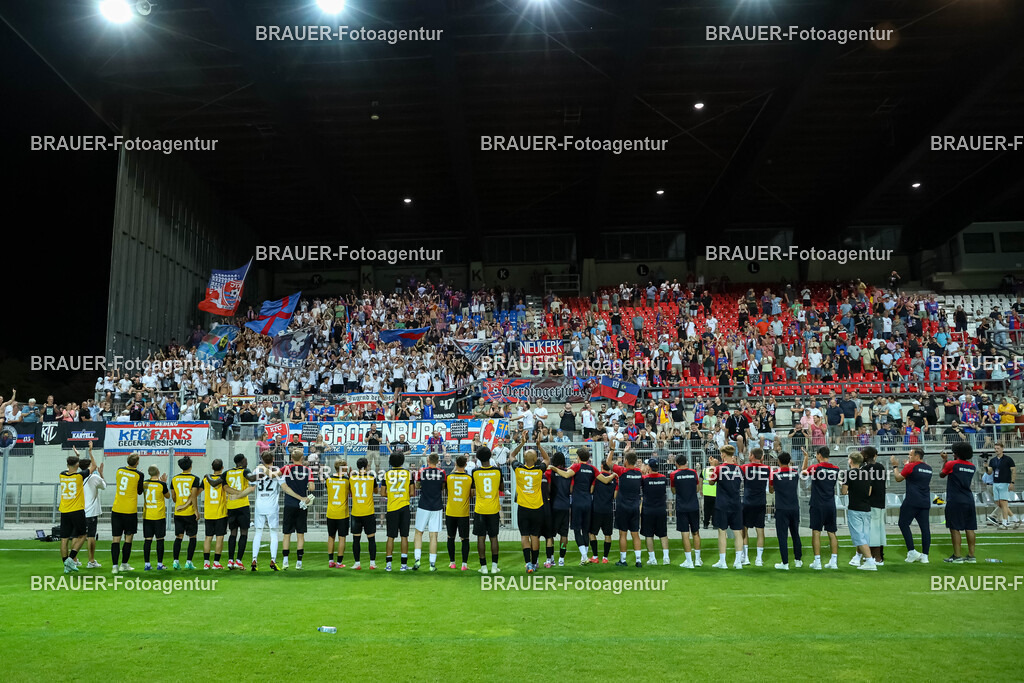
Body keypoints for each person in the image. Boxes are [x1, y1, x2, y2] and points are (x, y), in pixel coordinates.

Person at [549, 445, 602, 566]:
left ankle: (583, 556)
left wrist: (553, 468)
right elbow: (602, 480)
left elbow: (568, 477)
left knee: (575, 530)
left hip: (575, 502)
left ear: (578, 457)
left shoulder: (575, 467)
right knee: (585, 530)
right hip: (588, 501)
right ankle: (581, 557)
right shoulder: (592, 468)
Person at [508, 437, 549, 573]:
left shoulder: (518, 469)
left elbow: (512, 455)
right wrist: (539, 445)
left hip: (523, 508)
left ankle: (528, 564)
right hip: (537, 508)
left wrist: (522, 443)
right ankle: (534, 562)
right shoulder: (539, 471)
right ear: (535, 458)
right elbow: (547, 460)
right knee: (535, 536)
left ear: (525, 459)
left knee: (524, 536)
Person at [202, 459, 247, 570]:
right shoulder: (223, 479)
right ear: (222, 467)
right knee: (220, 537)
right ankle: (216, 562)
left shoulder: (205, 479)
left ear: (212, 467)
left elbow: (197, 491)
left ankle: (206, 563)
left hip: (208, 512)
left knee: (208, 537)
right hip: (220, 511)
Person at [891, 447, 932, 563]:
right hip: (925, 501)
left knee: (903, 524)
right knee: (925, 529)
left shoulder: (910, 466)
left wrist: (895, 466)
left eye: (910, 455)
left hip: (912, 500)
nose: (909, 457)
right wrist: (907, 466)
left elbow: (898, 478)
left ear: (917, 456)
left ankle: (912, 551)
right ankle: (925, 556)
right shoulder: (929, 468)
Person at [801, 446, 840, 570]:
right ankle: (833, 561)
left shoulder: (816, 467)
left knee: (816, 532)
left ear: (819, 455)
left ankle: (817, 561)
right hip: (830, 503)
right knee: (832, 532)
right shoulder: (836, 469)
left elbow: (803, 473)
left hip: (818, 503)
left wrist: (806, 458)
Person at [940, 442, 978, 563]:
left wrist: (944, 460)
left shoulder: (951, 464)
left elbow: (942, 474)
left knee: (954, 528)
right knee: (970, 527)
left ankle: (957, 556)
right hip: (969, 499)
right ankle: (971, 556)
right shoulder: (972, 466)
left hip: (955, 499)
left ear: (956, 453)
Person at [606, 449, 644, 567]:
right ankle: (638, 560)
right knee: (635, 534)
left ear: (626, 461)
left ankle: (623, 560)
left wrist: (612, 450)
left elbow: (608, 462)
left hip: (622, 507)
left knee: (623, 534)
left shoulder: (622, 471)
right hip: (635, 507)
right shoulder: (638, 473)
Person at [708, 445, 745, 569]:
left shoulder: (719, 469)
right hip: (736, 503)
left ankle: (723, 562)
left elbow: (711, 482)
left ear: (723, 454)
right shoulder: (740, 469)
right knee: (738, 532)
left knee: (722, 532)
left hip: (722, 504)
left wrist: (713, 466)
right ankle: (738, 561)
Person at [842, 452, 878, 571]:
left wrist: (844, 486)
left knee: (858, 536)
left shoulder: (848, 474)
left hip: (855, 507)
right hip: (866, 508)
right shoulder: (867, 474)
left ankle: (869, 561)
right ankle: (858, 558)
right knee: (864, 535)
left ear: (851, 461)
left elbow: (843, 491)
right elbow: (869, 492)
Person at [110, 453, 145, 574]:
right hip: (130, 510)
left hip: (117, 509)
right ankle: (124, 564)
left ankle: (114, 566)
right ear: (137, 462)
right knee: (128, 538)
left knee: (116, 539)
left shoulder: (119, 470)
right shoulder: (139, 474)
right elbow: (140, 491)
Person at [472, 446, 503, 574]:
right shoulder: (497, 471)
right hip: (493, 509)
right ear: (490, 456)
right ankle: (494, 567)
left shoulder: (475, 472)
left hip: (480, 509)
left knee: (481, 537)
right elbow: (501, 488)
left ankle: (483, 567)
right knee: (493, 537)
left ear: (478, 458)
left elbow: (473, 491)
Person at [279, 450, 313, 570]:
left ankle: (285, 561)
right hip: (302, 505)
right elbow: (312, 487)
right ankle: (299, 562)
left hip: (289, 504)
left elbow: (275, 475)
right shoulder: (307, 470)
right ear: (302, 458)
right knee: (300, 534)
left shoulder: (286, 468)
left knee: (287, 534)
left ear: (292, 458)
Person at [413, 453, 446, 571]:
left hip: (423, 505)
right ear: (438, 461)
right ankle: (432, 564)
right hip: (436, 506)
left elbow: (417, 486)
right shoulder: (442, 472)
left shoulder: (421, 471)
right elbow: (442, 487)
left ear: (428, 460)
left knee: (418, 533)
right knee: (433, 535)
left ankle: (417, 560)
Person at [381, 452, 413, 572]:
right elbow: (412, 492)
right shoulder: (407, 473)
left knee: (390, 536)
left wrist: (393, 495)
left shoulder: (387, 474)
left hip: (392, 507)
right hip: (404, 506)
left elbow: (383, 493)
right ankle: (403, 565)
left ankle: (388, 565)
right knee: (404, 536)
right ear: (402, 461)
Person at [770, 452, 802, 570]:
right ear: (789, 461)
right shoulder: (795, 473)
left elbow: (771, 489)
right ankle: (798, 560)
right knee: (795, 534)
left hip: (781, 508)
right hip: (794, 507)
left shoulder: (775, 474)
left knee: (782, 536)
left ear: (778, 461)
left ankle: (785, 563)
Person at [224, 454, 256, 570]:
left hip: (231, 506)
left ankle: (230, 560)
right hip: (242, 505)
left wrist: (208, 476)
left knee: (232, 533)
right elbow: (251, 478)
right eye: (245, 460)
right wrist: (260, 474)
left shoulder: (227, 473)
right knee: (243, 533)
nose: (247, 461)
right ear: (241, 462)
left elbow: (218, 483)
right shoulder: (245, 471)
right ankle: (238, 561)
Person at [251, 452, 282, 571]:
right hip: (272, 506)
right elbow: (282, 485)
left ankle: (254, 559)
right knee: (273, 533)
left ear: (262, 459)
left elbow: (252, 486)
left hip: (260, 505)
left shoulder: (256, 470)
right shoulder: (277, 470)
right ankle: (273, 560)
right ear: (273, 459)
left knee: (258, 533)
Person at [669, 453, 701, 569]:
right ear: (686, 461)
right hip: (694, 505)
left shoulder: (673, 475)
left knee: (685, 534)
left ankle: (689, 561)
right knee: (696, 532)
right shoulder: (693, 473)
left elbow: (673, 491)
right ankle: (697, 559)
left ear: (676, 463)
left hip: (682, 506)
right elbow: (697, 489)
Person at [740, 447, 771, 566]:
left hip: (748, 502)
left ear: (752, 455)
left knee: (744, 529)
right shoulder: (767, 469)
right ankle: (759, 559)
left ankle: (746, 557)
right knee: (760, 530)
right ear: (762, 457)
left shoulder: (745, 467)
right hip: (761, 502)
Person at [58, 453, 89, 573]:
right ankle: (70, 559)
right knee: (83, 535)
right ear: (77, 465)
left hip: (64, 510)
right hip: (76, 510)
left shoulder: (62, 475)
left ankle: (66, 565)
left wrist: (76, 456)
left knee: (64, 539)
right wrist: (90, 452)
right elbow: (93, 466)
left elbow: (68, 470)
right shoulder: (80, 476)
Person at [171, 457, 202, 570]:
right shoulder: (194, 478)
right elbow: (193, 496)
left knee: (178, 537)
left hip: (178, 513)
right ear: (190, 466)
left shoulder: (174, 479)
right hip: (189, 513)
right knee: (192, 537)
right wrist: (196, 511)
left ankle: (175, 561)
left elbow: (173, 497)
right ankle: (188, 562)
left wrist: (179, 502)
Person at [77, 444, 105, 568]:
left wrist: (78, 456)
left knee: (77, 536)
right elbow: (104, 486)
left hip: (79, 510)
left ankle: (74, 559)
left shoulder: (77, 477)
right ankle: (91, 561)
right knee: (91, 536)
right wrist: (101, 473)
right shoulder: (94, 477)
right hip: (91, 511)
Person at [640, 458, 671, 566]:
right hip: (661, 509)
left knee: (649, 535)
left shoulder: (645, 479)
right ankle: (666, 557)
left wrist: (643, 470)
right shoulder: (663, 478)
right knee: (663, 534)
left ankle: (652, 558)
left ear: (649, 467)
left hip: (648, 510)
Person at [349, 457, 378, 570]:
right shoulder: (371, 478)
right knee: (371, 538)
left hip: (356, 512)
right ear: (367, 466)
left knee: (356, 539)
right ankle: (372, 563)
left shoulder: (352, 478)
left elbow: (351, 491)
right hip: (368, 512)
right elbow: (375, 491)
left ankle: (357, 563)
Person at [445, 455, 473, 570]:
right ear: (466, 464)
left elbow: (447, 492)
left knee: (450, 537)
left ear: (455, 464)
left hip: (451, 511)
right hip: (463, 513)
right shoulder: (469, 478)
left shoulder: (449, 477)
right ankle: (464, 564)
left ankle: (452, 562)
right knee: (464, 538)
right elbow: (471, 494)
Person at [590, 458, 618, 564]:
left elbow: (591, 490)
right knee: (608, 534)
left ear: (601, 466)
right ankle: (605, 558)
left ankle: (595, 556)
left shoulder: (596, 477)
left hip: (596, 509)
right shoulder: (615, 479)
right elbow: (615, 496)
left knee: (592, 533)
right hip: (608, 509)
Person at [141, 465, 170, 571]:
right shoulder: (161, 484)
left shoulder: (144, 483)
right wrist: (164, 482)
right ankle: (159, 564)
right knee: (160, 540)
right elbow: (168, 496)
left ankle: (147, 564)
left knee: (147, 540)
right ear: (158, 472)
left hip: (147, 515)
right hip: (159, 515)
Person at [547, 451, 572, 566]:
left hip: (553, 506)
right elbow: (571, 490)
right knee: (564, 535)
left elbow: (549, 489)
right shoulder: (568, 473)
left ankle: (551, 558)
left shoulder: (551, 472)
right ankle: (561, 559)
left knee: (550, 535)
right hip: (565, 506)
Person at [325, 459, 350, 568]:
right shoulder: (346, 480)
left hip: (330, 512)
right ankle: (339, 562)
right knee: (342, 537)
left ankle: (331, 561)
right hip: (342, 513)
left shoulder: (328, 479)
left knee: (331, 536)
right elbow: (350, 493)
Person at [986, 443, 1017, 529]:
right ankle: (1015, 519)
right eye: (995, 448)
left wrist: (1012, 482)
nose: (996, 450)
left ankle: (1005, 522)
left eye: (998, 448)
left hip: (1004, 482)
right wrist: (986, 467)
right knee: (999, 503)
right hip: (996, 483)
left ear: (1002, 449)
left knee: (1003, 502)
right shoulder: (993, 460)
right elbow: (989, 472)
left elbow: (1013, 471)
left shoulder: (1008, 459)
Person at [701, 459, 716, 529]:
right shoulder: (718, 470)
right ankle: (715, 524)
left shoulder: (705, 470)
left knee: (707, 510)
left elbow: (700, 479)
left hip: (707, 493)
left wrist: (701, 489)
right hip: (715, 493)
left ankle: (705, 524)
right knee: (715, 509)